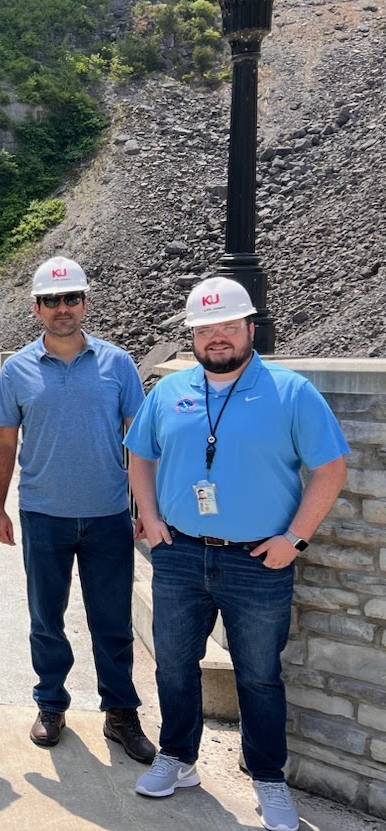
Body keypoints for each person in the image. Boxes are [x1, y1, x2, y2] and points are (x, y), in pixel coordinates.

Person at [125, 276, 348, 831]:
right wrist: (150, 520)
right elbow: (140, 456)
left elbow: (330, 469)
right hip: (179, 554)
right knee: (174, 666)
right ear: (192, 337)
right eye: (205, 329)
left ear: (251, 328)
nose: (217, 337)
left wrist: (294, 539)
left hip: (258, 561)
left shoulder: (291, 392)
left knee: (258, 675)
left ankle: (268, 780)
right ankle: (177, 759)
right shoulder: (169, 391)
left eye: (228, 325)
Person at [0, 257, 155, 762]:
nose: (62, 308)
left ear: (85, 302)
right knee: (47, 618)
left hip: (107, 515)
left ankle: (120, 712)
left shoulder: (118, 363)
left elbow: (141, 440)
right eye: (51, 301)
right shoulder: (16, 369)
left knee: (111, 619)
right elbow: (3, 441)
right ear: (35, 308)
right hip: (44, 514)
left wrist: (147, 507)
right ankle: (51, 703)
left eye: (71, 298)